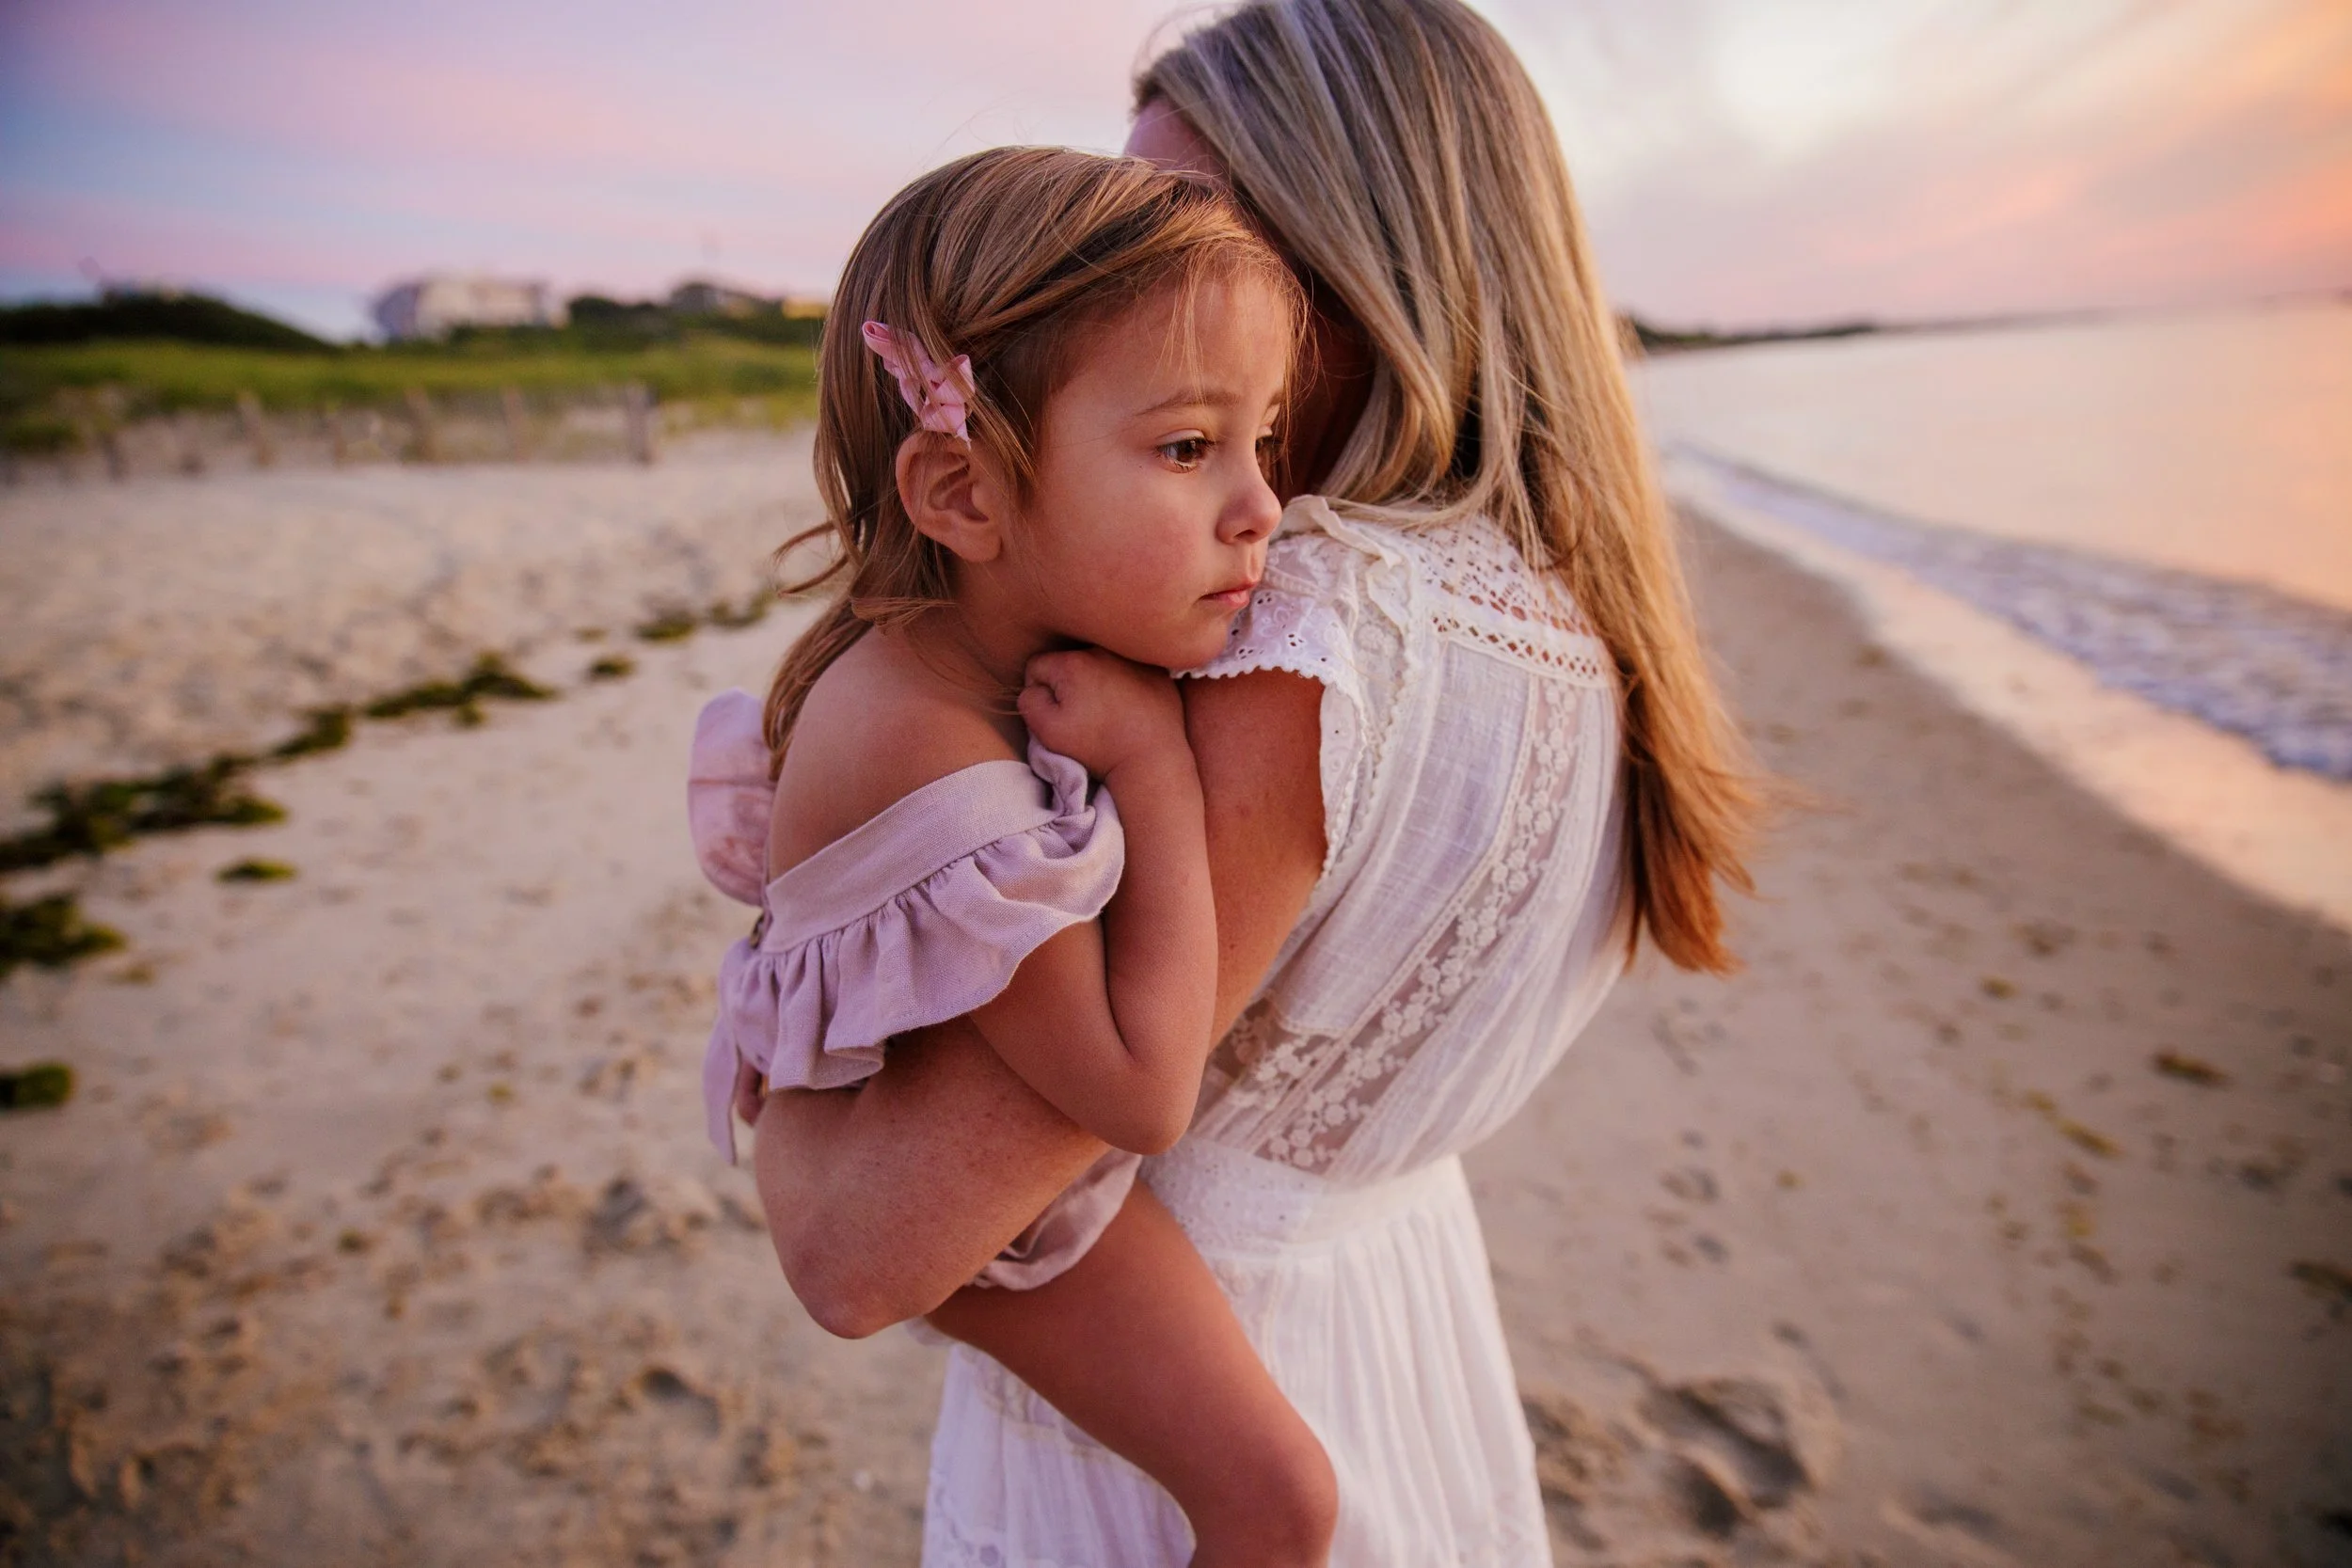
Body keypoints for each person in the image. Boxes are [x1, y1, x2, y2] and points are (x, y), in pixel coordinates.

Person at [747, 1, 1760, 1561]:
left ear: (1376, 257)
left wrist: (769, 1066)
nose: (1138, 271)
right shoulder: (1561, 612)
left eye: (1192, 223)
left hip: (1180, 1444)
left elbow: (862, 1246)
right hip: (1397, 1346)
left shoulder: (1304, 627)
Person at [688, 146, 1340, 1565]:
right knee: (1279, 1498)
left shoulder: (963, 644)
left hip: (934, 1146)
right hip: (986, 1230)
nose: (1260, 508)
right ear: (965, 495)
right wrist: (1161, 774)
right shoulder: (932, 755)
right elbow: (1139, 1087)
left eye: (1264, 442)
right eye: (1187, 449)